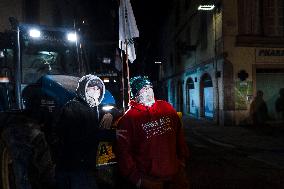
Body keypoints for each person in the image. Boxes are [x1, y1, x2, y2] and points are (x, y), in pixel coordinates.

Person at [116, 76, 189, 189]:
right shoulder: (128, 119)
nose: (149, 91)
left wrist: (182, 163)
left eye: (150, 87)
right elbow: (123, 152)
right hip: (149, 180)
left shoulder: (166, 107)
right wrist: (138, 180)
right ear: (136, 93)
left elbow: (179, 135)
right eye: (144, 88)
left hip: (175, 176)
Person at [53, 74, 126, 189]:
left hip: (86, 164)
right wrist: (111, 135)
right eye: (92, 88)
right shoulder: (72, 108)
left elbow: (116, 110)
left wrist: (109, 114)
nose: (96, 91)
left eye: (98, 88)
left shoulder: (93, 107)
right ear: (84, 89)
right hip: (73, 166)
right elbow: (81, 136)